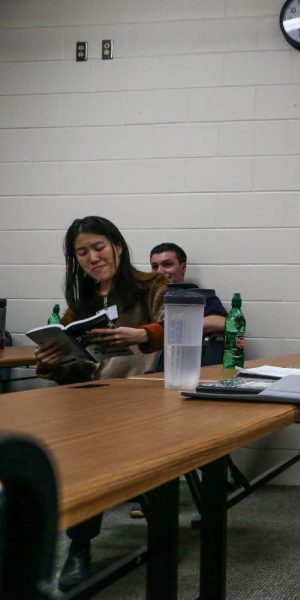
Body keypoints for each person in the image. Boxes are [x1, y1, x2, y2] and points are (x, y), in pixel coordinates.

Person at [33, 216, 168, 591]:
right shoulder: (81, 304)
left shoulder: (152, 286)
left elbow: (177, 329)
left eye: (98, 247)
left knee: (139, 463)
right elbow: (82, 367)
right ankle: (79, 548)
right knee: (79, 457)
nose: (92, 257)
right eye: (82, 252)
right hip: (96, 401)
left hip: (146, 399)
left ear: (117, 247)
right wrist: (53, 363)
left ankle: (160, 538)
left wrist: (143, 334)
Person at [149, 242, 227, 335]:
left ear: (183, 268)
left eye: (167, 264)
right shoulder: (146, 298)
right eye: (155, 266)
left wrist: (173, 327)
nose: (160, 272)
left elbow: (222, 322)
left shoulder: (201, 296)